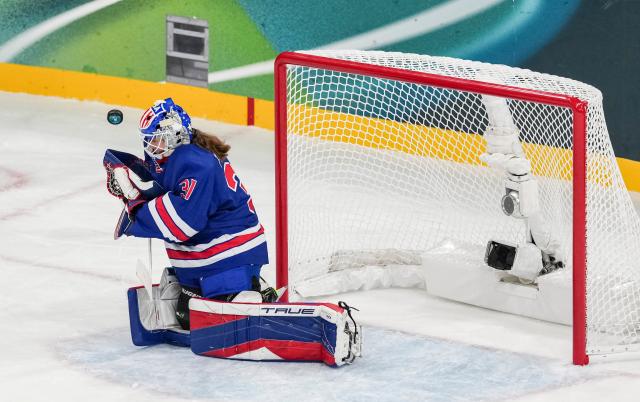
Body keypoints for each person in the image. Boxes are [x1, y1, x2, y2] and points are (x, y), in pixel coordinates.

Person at [107, 98, 269, 331]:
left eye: (157, 138)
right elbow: (160, 186)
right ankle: (246, 290)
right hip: (212, 252)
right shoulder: (174, 153)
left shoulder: (196, 162)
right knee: (186, 316)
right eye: (150, 139)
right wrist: (128, 181)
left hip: (229, 253)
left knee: (208, 320)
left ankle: (249, 293)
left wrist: (137, 211)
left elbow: (183, 224)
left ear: (175, 134)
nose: (152, 145)